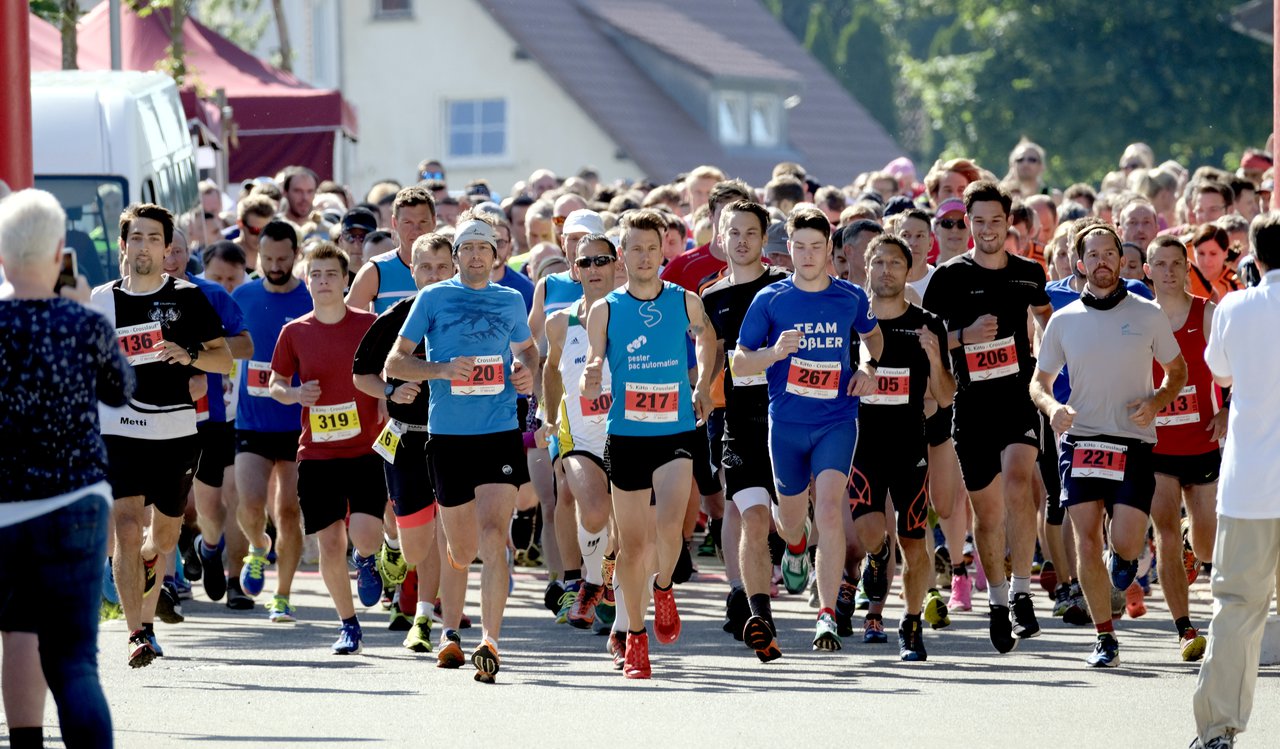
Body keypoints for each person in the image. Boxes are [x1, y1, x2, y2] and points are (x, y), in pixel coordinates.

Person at [0, 188, 129, 747]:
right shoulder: (83, 324)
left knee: (16, 634)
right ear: (59, 253)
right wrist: (80, 310)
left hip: (5, 504)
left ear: (3, 258)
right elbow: (122, 391)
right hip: (76, 499)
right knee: (75, 661)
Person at [387, 216, 539, 683]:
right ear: (456, 256)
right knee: (460, 547)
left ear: (497, 256)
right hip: (448, 437)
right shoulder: (433, 298)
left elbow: (529, 351)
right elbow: (397, 361)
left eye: (484, 248)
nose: (476, 255)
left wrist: (526, 372)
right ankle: (449, 629)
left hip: (498, 433)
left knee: (495, 537)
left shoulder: (511, 298)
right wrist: (442, 369)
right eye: (467, 247)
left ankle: (489, 640)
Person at [1031, 223, 1186, 668]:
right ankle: (1104, 637)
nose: (1101, 261)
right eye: (1092, 255)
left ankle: (1123, 562)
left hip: (1132, 440)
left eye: (1109, 253)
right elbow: (1038, 383)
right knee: (1085, 537)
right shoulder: (1063, 321)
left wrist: (1157, 400)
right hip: (1080, 439)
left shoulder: (1147, 313)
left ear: (1121, 261)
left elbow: (1178, 373)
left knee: (1128, 544)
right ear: (1079, 265)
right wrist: (1051, 408)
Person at [734, 206, 883, 653]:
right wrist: (774, 353)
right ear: (788, 249)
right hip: (787, 424)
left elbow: (873, 340)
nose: (807, 255)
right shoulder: (772, 300)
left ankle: (826, 614)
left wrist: (868, 367)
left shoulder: (849, 297)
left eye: (816, 247)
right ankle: (795, 548)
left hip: (837, 418)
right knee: (792, 520)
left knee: (832, 509)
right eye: (799, 247)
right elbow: (740, 361)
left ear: (830, 250)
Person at [89, 203, 232, 666]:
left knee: (163, 539)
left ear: (167, 247)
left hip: (174, 432)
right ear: (123, 245)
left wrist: (188, 355)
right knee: (126, 530)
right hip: (119, 428)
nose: (144, 246)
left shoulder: (188, 297)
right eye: (136, 238)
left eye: (154, 238)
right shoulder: (101, 299)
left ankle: (155, 563)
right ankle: (138, 632)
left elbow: (222, 360)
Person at [580, 209, 717, 679]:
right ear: (622, 255)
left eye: (652, 249)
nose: (644, 257)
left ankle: (664, 588)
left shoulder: (685, 301)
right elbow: (593, 363)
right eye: (635, 249)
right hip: (628, 435)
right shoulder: (606, 308)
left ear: (664, 253)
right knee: (634, 545)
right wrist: (592, 373)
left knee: (670, 528)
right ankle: (636, 638)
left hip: (676, 431)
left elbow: (706, 341)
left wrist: (701, 388)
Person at [922, 180, 1053, 654]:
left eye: (996, 220)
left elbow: (1046, 315)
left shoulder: (1027, 272)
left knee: (1020, 482)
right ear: (968, 224)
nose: (987, 229)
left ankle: (1021, 590)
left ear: (1007, 222)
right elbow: (928, 339)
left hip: (1017, 399)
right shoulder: (948, 277)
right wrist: (966, 335)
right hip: (970, 406)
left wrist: (1049, 361)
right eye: (978, 221)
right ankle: (997, 598)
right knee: (988, 511)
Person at [1190, 212, 1280, 749]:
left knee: (1237, 612)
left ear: (1255, 256)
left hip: (1250, 484)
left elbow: (1219, 371)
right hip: (1251, 482)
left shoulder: (1234, 306)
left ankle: (1218, 730)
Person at [269, 242, 385, 653]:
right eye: (315, 274)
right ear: (306, 280)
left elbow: (387, 371)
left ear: (345, 279)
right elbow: (275, 384)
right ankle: (348, 624)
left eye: (331, 274)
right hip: (317, 453)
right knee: (330, 542)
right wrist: (295, 393)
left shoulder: (370, 325)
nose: (322, 281)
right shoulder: (294, 331)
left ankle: (369, 559)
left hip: (366, 449)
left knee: (365, 535)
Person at [851, 235, 954, 661]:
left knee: (914, 542)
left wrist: (932, 359)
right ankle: (876, 557)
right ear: (867, 268)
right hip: (862, 446)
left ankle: (910, 624)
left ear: (909, 270)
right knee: (871, 533)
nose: (887, 270)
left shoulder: (928, 323)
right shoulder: (852, 320)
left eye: (896, 263)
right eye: (879, 262)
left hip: (910, 447)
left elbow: (945, 396)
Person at [352, 232, 456, 653]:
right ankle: (392, 546)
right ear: (412, 272)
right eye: (425, 267)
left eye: (441, 267)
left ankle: (425, 619)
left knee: (444, 534)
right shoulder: (395, 316)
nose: (433, 275)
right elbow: (361, 376)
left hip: (453, 439)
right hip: (406, 439)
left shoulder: (467, 316)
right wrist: (392, 393)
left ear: (454, 269)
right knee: (416, 544)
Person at [701, 200, 790, 662]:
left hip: (790, 420)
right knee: (752, 518)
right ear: (720, 238)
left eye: (750, 233)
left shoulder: (782, 288)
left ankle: (795, 548)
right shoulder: (710, 295)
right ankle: (760, 616)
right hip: (737, 422)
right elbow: (712, 355)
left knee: (789, 522)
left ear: (763, 239)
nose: (740, 240)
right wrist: (700, 388)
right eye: (731, 232)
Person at [162, 229, 254, 614]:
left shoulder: (210, 294)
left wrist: (196, 355)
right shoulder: (127, 298)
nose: (170, 258)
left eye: (178, 251)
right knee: (163, 500)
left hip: (211, 417)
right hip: (156, 417)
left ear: (188, 255)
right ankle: (166, 583)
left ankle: (211, 549)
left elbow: (245, 345)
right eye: (163, 250)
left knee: (213, 509)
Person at [230, 220, 313, 619]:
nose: (275, 265)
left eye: (282, 259)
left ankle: (282, 593)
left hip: (299, 424)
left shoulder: (312, 298)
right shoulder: (242, 295)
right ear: (257, 256)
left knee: (290, 511)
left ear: (295, 255)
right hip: (252, 421)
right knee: (249, 503)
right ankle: (258, 547)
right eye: (267, 258)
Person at [1146, 235, 1223, 662]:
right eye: (1162, 263)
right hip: (1157, 445)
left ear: (1186, 267)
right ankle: (1184, 628)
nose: (1170, 271)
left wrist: (1226, 410)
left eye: (1178, 263)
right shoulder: (1139, 318)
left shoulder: (1208, 313)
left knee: (1207, 538)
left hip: (1202, 440)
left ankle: (1199, 551)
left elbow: (1234, 369)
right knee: (1165, 532)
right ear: (1148, 270)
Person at [542, 233, 624, 632]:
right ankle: (593, 580)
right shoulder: (560, 322)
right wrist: (548, 415)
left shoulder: (635, 314)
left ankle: (608, 585)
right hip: (580, 439)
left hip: (628, 434)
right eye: (584, 262)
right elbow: (550, 367)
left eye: (601, 260)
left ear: (616, 264)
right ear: (574, 270)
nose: (593, 269)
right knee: (592, 511)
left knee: (625, 529)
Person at [347, 187, 437, 313]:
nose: (416, 230)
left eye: (423, 221)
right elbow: (343, 321)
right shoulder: (375, 271)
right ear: (394, 223)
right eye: (408, 222)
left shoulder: (453, 270)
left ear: (434, 221)